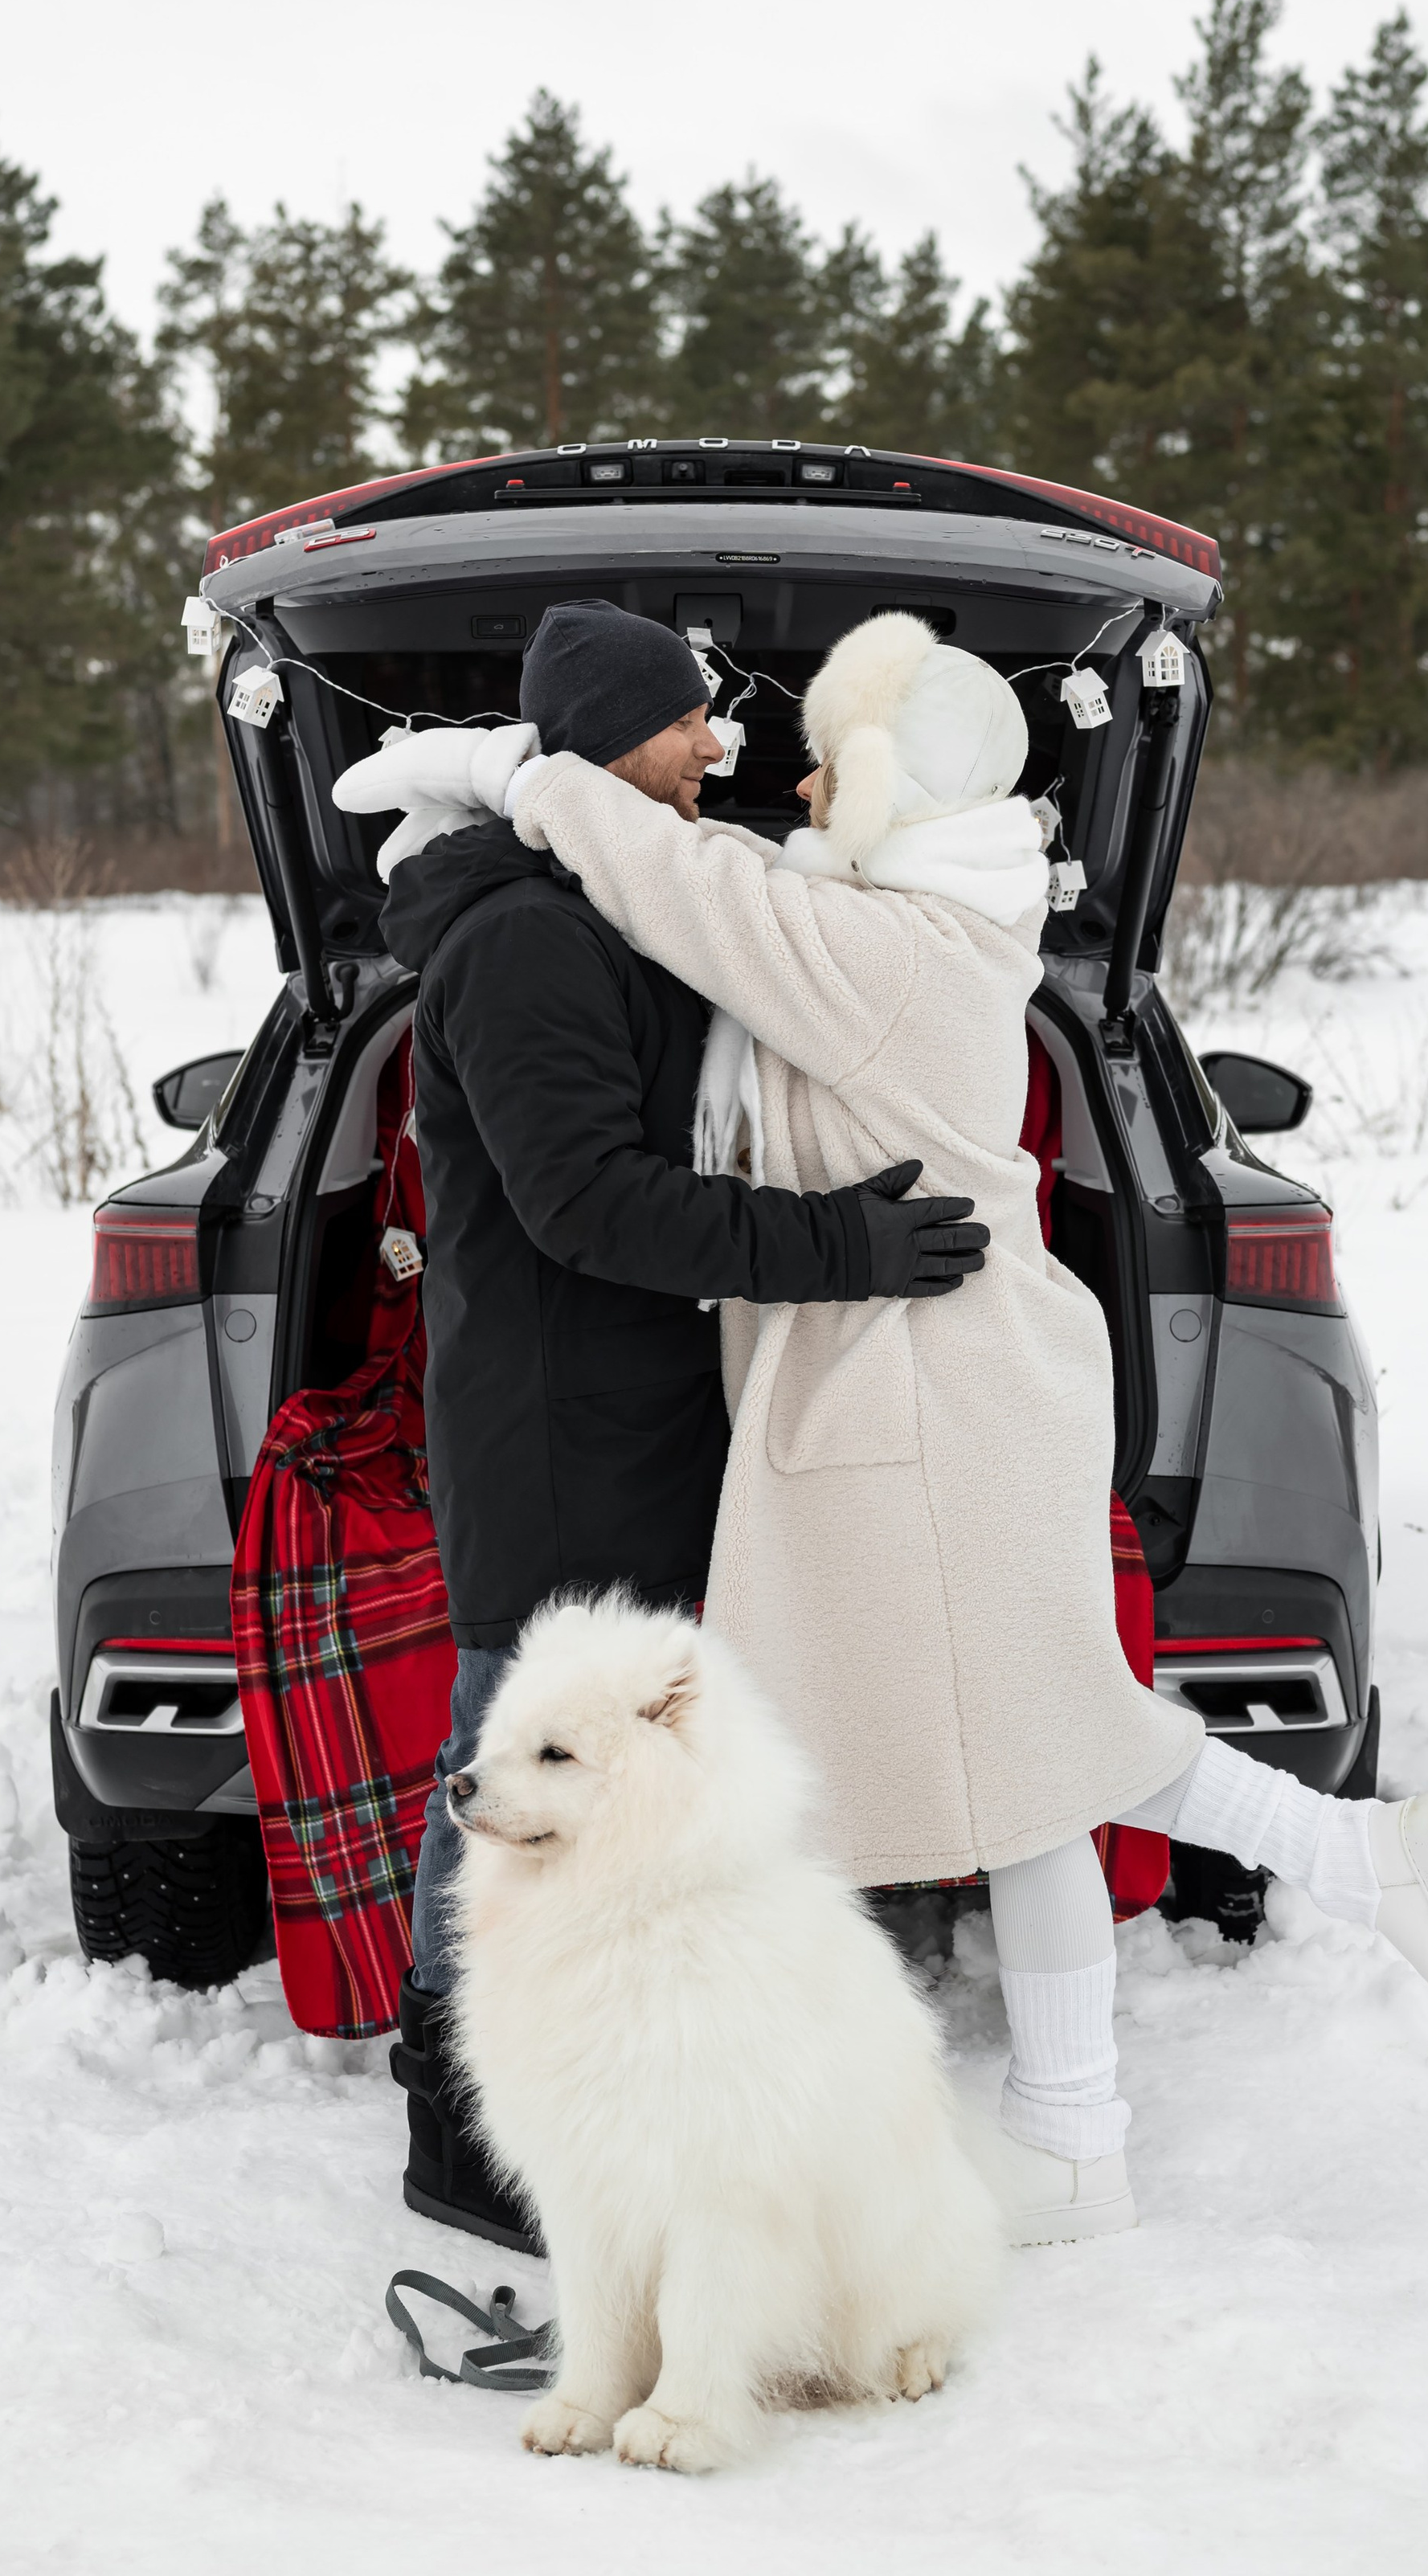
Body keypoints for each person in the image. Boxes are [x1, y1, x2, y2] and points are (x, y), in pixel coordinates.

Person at [354, 612, 1428, 2247]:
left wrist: (515, 774)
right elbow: (684, 928)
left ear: (900, 786)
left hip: (930, 1400)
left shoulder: (882, 946)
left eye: (827, 762)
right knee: (1019, 1767)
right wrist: (519, 781)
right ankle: (1061, 2126)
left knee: (1027, 1751)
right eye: (708, 726)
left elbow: (694, 885)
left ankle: (1313, 1889)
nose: (772, 774)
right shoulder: (906, 907)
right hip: (897, 1397)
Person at [334, 602, 988, 2246]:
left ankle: (598, 2093)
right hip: (559, 1442)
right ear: (614, 735)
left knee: (614, 1780)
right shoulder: (523, 942)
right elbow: (588, 1205)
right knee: (511, 1782)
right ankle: (460, 2141)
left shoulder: (610, 904)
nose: (718, 741)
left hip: (639, 1422)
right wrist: (840, 1246)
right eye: (690, 717)